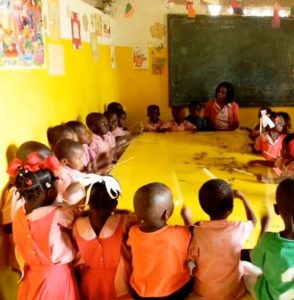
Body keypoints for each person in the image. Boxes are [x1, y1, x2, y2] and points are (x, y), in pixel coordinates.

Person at [10, 157, 79, 300]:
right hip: (57, 279)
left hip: (30, 278)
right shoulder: (59, 214)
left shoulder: (18, 216)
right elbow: (78, 221)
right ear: (50, 192)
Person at [186, 179, 256, 299]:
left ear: (202, 207)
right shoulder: (239, 228)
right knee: (247, 267)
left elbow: (190, 256)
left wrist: (187, 219)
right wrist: (243, 197)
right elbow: (253, 221)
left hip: (204, 292)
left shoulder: (198, 231)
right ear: (232, 207)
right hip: (233, 291)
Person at [73, 175, 138, 300]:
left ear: (88, 201)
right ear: (115, 203)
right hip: (120, 283)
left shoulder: (77, 224)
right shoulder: (125, 221)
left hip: (88, 284)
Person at [127, 182, 192, 299]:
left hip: (140, 293)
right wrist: (187, 218)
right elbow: (193, 233)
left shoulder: (133, 233)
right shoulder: (179, 233)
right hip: (174, 291)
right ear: (166, 214)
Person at [249, 178, 294, 300]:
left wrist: (263, 228)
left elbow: (256, 262)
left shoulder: (268, 241)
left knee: (244, 268)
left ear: (276, 209)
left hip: (270, 297)